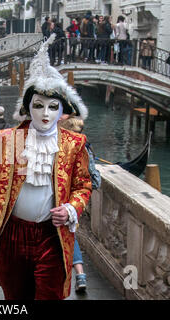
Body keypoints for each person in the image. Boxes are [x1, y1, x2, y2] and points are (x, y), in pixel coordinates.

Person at [0, 34, 91, 300]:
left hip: (52, 237)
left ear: (62, 112)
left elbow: (82, 185)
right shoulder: (5, 140)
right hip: (12, 236)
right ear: (27, 108)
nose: (45, 114)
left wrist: (71, 208)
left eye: (52, 107)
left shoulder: (74, 144)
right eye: (38, 106)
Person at [58, 116, 101, 293]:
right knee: (70, 232)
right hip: (76, 200)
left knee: (67, 233)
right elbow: (95, 181)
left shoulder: (58, 147)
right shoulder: (86, 150)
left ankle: (71, 276)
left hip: (61, 200)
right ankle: (80, 275)